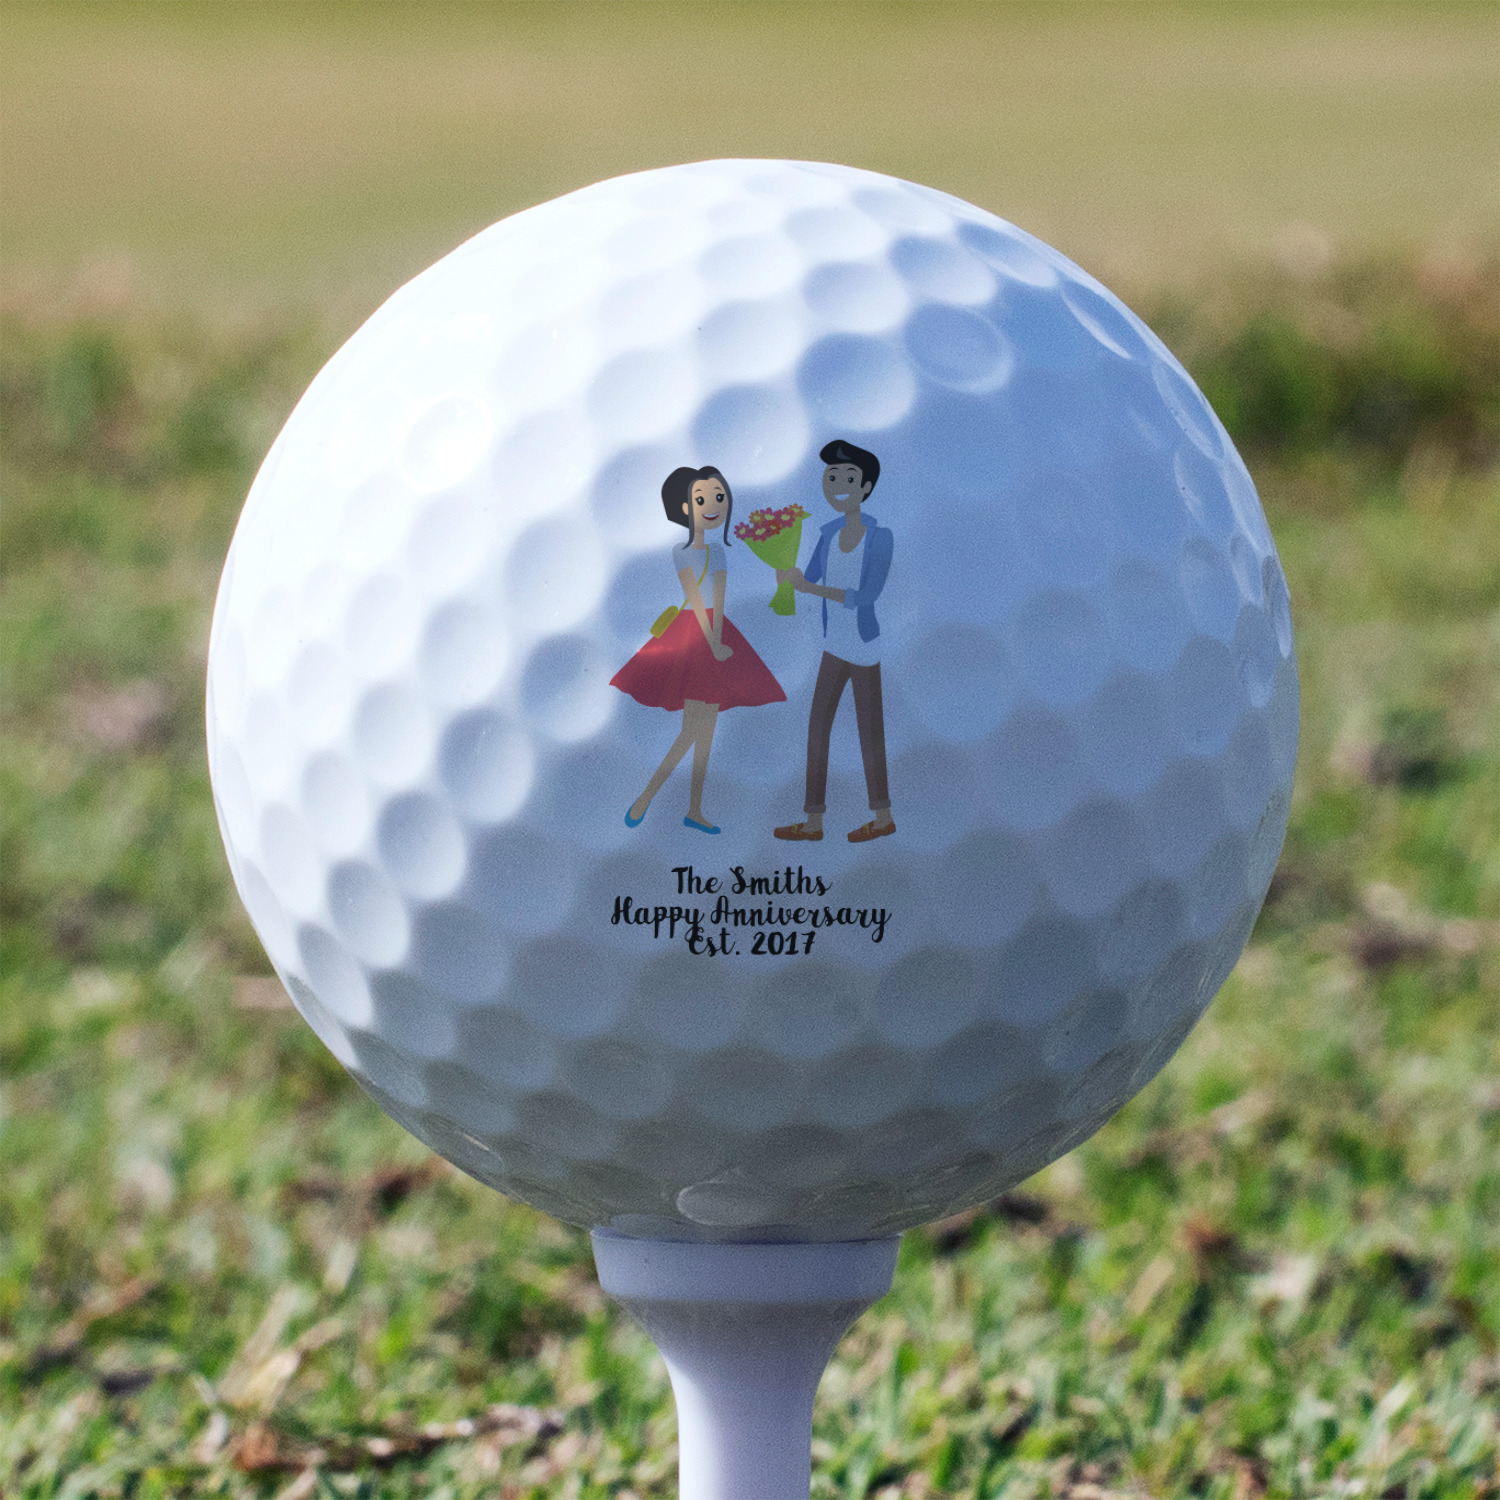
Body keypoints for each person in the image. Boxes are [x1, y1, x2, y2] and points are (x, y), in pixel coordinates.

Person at [612, 465, 786, 834]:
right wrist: (712, 641)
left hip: (717, 634)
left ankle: (693, 809)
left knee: (704, 735)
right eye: (702, 498)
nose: (713, 505)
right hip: (694, 636)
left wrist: (720, 638)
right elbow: (695, 596)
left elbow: (718, 598)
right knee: (691, 732)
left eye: (719, 497)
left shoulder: (718, 552)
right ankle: (645, 798)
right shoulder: (681, 551)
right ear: (685, 508)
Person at [774, 439, 895, 843]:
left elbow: (867, 595)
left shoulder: (881, 538)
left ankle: (882, 816)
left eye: (849, 478)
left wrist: (811, 588)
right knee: (818, 728)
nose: (839, 485)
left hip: (862, 647)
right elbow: (808, 576)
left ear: (866, 488)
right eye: (832, 477)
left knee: (869, 731)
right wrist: (785, 572)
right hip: (833, 644)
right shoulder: (827, 534)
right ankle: (813, 822)